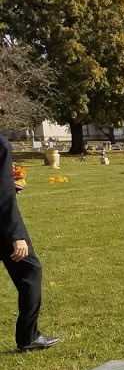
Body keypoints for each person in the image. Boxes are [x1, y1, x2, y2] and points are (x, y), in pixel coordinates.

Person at [0, 134, 59, 352]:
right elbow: (3, 195)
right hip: (3, 226)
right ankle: (28, 336)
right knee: (30, 272)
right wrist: (16, 235)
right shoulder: (1, 144)